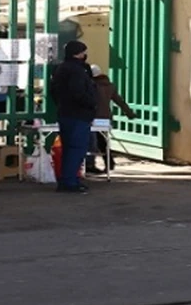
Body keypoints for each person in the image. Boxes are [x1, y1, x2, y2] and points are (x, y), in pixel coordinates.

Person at [48, 40, 97, 193]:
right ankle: (70, 181)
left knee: (68, 148)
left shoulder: (60, 69)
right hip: (78, 114)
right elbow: (79, 92)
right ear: (78, 53)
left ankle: (66, 179)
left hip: (65, 113)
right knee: (77, 149)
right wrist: (91, 103)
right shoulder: (77, 70)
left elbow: (54, 91)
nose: (85, 55)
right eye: (83, 52)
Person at [86, 65, 135, 174]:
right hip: (105, 117)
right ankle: (109, 162)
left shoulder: (91, 85)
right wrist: (129, 113)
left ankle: (90, 164)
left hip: (93, 117)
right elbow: (119, 101)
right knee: (103, 141)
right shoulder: (109, 86)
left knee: (91, 141)